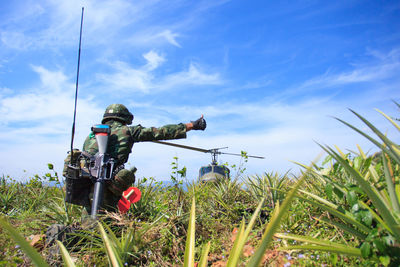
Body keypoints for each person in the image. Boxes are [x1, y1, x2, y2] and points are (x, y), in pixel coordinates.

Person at [81, 103, 206, 211]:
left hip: (85, 186)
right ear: (123, 119)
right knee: (106, 224)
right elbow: (160, 132)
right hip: (107, 187)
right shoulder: (127, 131)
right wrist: (192, 125)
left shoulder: (91, 136)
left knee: (87, 223)